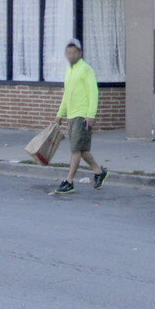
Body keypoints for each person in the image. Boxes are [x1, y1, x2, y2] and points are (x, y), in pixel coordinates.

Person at [52, 39, 106, 194]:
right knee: (80, 149)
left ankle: (69, 181)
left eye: (74, 52)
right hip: (71, 115)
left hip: (82, 115)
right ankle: (98, 172)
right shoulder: (69, 70)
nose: (71, 55)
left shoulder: (85, 69)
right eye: (68, 52)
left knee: (76, 149)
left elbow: (93, 92)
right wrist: (59, 114)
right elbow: (66, 95)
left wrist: (91, 115)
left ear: (80, 53)